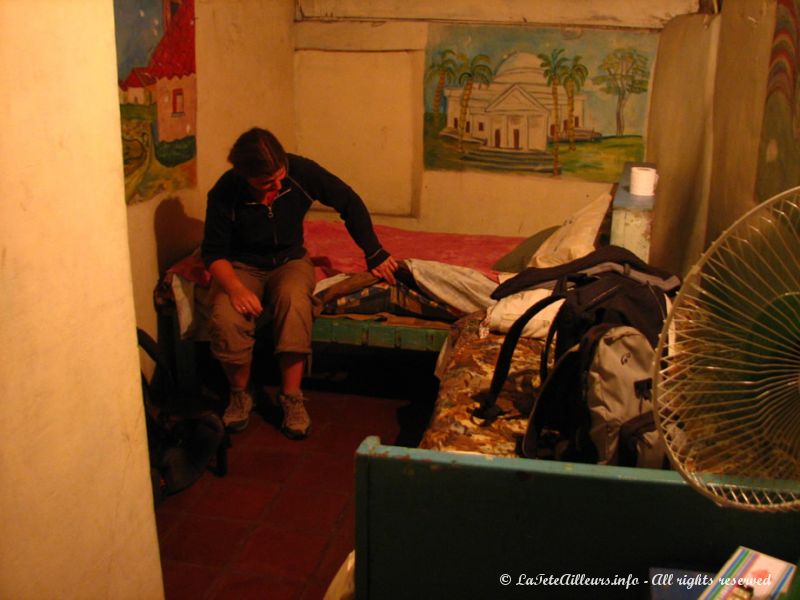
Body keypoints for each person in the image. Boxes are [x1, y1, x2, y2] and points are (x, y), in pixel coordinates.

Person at [201, 127, 399, 438]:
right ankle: (240, 394)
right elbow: (213, 253)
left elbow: (348, 201)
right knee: (226, 315)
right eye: (266, 183)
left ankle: (291, 396)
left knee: (294, 302)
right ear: (244, 176)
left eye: (280, 178)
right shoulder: (225, 192)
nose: (277, 187)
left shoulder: (299, 172)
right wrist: (236, 289)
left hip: (290, 261)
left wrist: (373, 251)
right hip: (241, 266)